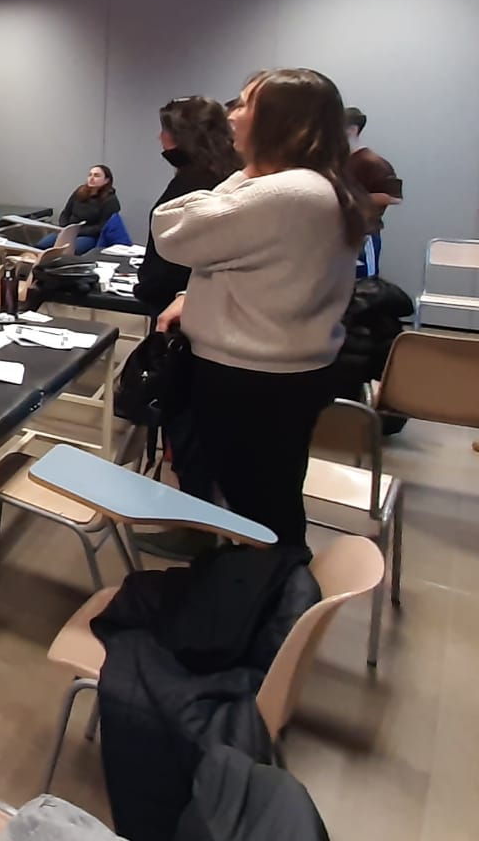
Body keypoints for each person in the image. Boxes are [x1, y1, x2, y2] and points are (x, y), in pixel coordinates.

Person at [152, 70, 364, 545]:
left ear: (281, 121)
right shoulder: (318, 185)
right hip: (282, 371)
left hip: (251, 377)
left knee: (257, 507)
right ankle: (260, 577)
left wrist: (249, 170)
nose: (232, 115)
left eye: (246, 105)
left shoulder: (286, 192)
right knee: (267, 496)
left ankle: (266, 584)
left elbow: (170, 229)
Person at [133, 97, 240, 316]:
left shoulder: (193, 184)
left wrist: (147, 288)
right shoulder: (229, 174)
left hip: (181, 307)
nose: (160, 137)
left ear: (184, 136)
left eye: (165, 131)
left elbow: (172, 264)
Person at [343, 107, 403, 277]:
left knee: (365, 284)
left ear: (352, 130)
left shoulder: (373, 162)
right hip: (341, 234)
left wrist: (352, 198)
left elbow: (393, 197)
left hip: (364, 235)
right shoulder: (339, 161)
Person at [57, 164, 121, 253]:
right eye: (90, 175)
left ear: (106, 180)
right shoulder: (79, 191)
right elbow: (66, 213)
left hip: (90, 235)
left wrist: (77, 231)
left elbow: (103, 226)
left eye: (96, 175)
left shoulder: (110, 200)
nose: (91, 178)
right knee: (43, 245)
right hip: (68, 231)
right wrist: (65, 227)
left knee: (71, 250)